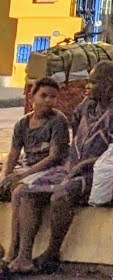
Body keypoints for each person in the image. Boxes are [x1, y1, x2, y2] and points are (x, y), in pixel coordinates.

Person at [23, 61, 113, 273]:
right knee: (25, 191)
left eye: (92, 82)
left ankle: (53, 251)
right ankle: (22, 254)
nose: (87, 86)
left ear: (108, 86)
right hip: (72, 167)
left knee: (61, 195)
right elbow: (75, 127)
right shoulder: (87, 105)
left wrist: (82, 164)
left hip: (95, 174)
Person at [2, 77, 72, 273]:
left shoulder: (58, 121)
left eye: (53, 97)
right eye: (43, 96)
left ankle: (13, 251)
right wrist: (5, 175)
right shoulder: (22, 124)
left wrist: (23, 175)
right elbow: (14, 154)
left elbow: (54, 157)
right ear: (32, 96)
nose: (48, 101)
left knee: (19, 193)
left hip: (51, 171)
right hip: (29, 169)